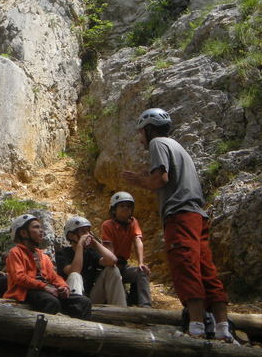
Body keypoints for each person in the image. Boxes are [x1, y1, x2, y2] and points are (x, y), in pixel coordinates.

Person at [122, 107, 233, 341]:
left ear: (149, 129)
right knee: (206, 269)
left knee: (185, 265)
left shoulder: (158, 143)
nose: (140, 138)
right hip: (197, 214)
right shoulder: (178, 147)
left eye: (141, 132)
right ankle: (222, 327)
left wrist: (139, 180)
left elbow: (160, 179)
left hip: (179, 214)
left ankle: (196, 327)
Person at [4, 214, 92, 318]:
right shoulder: (15, 252)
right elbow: (19, 277)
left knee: (84, 302)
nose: (41, 230)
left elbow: (54, 277)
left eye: (41, 227)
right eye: (36, 227)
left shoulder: (43, 256)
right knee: (51, 302)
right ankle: (46, 328)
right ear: (23, 233)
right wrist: (44, 287)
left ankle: (77, 326)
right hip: (25, 291)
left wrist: (63, 286)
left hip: (45, 290)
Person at [56, 215, 127, 306]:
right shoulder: (63, 253)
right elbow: (74, 271)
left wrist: (95, 243)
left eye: (88, 231)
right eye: (83, 231)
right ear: (71, 235)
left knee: (113, 270)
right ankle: (78, 309)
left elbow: (112, 260)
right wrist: (80, 245)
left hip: (91, 297)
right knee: (75, 275)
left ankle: (120, 309)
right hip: (72, 297)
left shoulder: (90, 253)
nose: (87, 234)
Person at [101, 191, 152, 307]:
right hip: (111, 266)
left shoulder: (133, 223)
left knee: (142, 272)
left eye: (128, 206)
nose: (126, 208)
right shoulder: (107, 225)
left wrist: (141, 263)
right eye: (122, 206)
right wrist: (113, 264)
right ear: (114, 209)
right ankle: (124, 304)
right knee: (118, 284)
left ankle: (145, 306)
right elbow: (109, 248)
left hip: (123, 265)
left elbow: (137, 241)